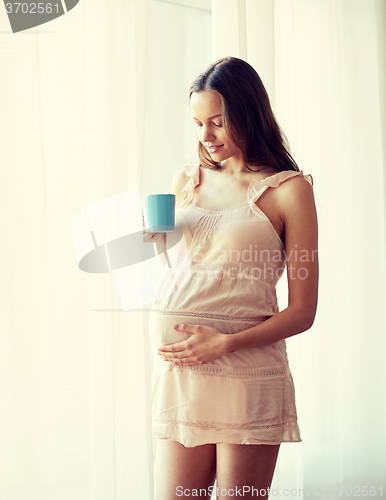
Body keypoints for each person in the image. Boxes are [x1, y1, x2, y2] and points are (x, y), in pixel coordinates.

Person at [146, 57, 318, 500]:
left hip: (246, 372)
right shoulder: (186, 180)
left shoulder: (289, 190)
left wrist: (224, 343)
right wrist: (160, 242)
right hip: (183, 372)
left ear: (248, 113)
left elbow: (303, 312)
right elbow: (193, 274)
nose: (206, 137)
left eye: (218, 123)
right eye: (199, 123)